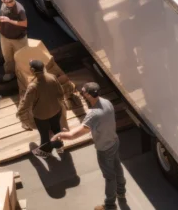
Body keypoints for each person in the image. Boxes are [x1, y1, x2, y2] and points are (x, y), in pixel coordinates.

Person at [53, 82, 126, 210]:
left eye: (83, 91)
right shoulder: (107, 102)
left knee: (109, 177)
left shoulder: (93, 114)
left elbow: (73, 135)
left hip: (104, 148)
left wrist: (59, 135)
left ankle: (110, 205)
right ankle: (121, 191)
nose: (81, 92)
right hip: (114, 141)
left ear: (88, 95)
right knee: (117, 166)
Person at [18, 60, 66, 158]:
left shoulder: (33, 86)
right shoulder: (52, 77)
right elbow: (60, 93)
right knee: (56, 129)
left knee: (44, 134)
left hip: (42, 116)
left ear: (32, 70)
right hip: (56, 110)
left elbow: (26, 103)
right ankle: (59, 146)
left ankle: (44, 152)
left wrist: (20, 113)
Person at [0, 0, 29, 83]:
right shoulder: (4, 4)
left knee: (21, 57)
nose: (6, 3)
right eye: (3, 1)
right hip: (5, 37)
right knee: (7, 57)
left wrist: (9, 20)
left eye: (8, 1)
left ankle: (24, 75)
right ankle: (10, 72)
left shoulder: (20, 10)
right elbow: (1, 15)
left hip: (18, 39)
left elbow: (24, 24)